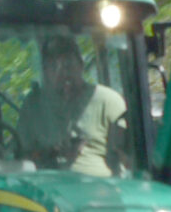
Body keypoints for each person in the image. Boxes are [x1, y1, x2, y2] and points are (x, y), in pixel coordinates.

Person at [13, 30, 126, 177]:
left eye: (68, 64)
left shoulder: (108, 101)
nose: (63, 73)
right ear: (46, 72)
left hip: (102, 191)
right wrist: (51, 154)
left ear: (80, 65)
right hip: (44, 189)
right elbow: (20, 157)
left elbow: (129, 157)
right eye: (54, 66)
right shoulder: (33, 105)